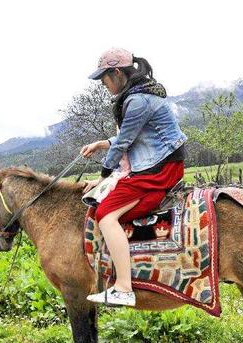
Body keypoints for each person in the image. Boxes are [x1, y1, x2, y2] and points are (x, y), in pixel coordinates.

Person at [81, 48, 188, 306]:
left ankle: (123, 287)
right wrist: (101, 143)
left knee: (105, 215)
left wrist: (105, 177)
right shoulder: (140, 96)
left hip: (158, 170)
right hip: (158, 165)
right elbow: (130, 135)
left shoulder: (137, 100)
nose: (103, 85)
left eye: (104, 78)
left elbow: (125, 142)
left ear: (116, 73)